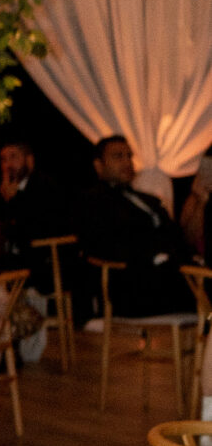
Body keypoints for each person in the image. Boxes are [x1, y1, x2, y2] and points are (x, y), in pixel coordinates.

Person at [77, 135, 193, 318]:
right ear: (99, 165)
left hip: (169, 272)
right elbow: (105, 245)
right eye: (118, 156)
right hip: (132, 282)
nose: (127, 162)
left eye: (128, 156)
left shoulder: (148, 200)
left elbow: (174, 234)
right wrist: (157, 255)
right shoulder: (93, 201)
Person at [0, 140, 73, 295]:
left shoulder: (44, 185)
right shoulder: (5, 188)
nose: (8, 165)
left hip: (43, 259)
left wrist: (14, 200)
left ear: (29, 160)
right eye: (4, 160)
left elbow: (37, 225)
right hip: (17, 255)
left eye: (13, 157)